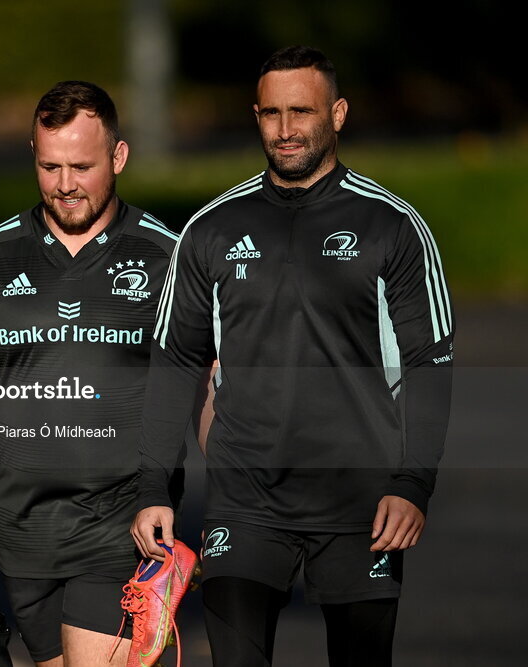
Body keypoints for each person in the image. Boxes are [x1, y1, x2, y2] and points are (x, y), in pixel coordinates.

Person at [132, 46, 454, 666]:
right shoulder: (211, 228)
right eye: (271, 113)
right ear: (255, 115)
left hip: (362, 503)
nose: (285, 130)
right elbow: (174, 363)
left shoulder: (392, 225)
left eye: (301, 111)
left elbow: (430, 364)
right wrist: (155, 488)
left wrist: (414, 483)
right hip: (244, 498)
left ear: (337, 113)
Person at [0, 80, 207, 666]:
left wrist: (246, 499)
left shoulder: (167, 258)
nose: (66, 185)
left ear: (118, 157)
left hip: (123, 530)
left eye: (82, 166)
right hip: (24, 539)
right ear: (33, 154)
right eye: (50, 167)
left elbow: (207, 388)